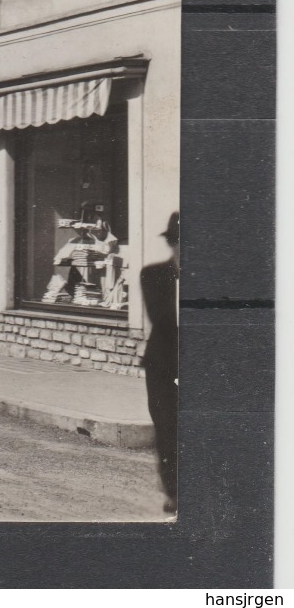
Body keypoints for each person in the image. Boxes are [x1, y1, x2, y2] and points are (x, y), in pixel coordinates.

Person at [141, 211, 180, 515]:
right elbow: (162, 319)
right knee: (167, 428)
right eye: (179, 242)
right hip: (164, 365)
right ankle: (175, 493)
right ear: (173, 243)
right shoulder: (153, 275)